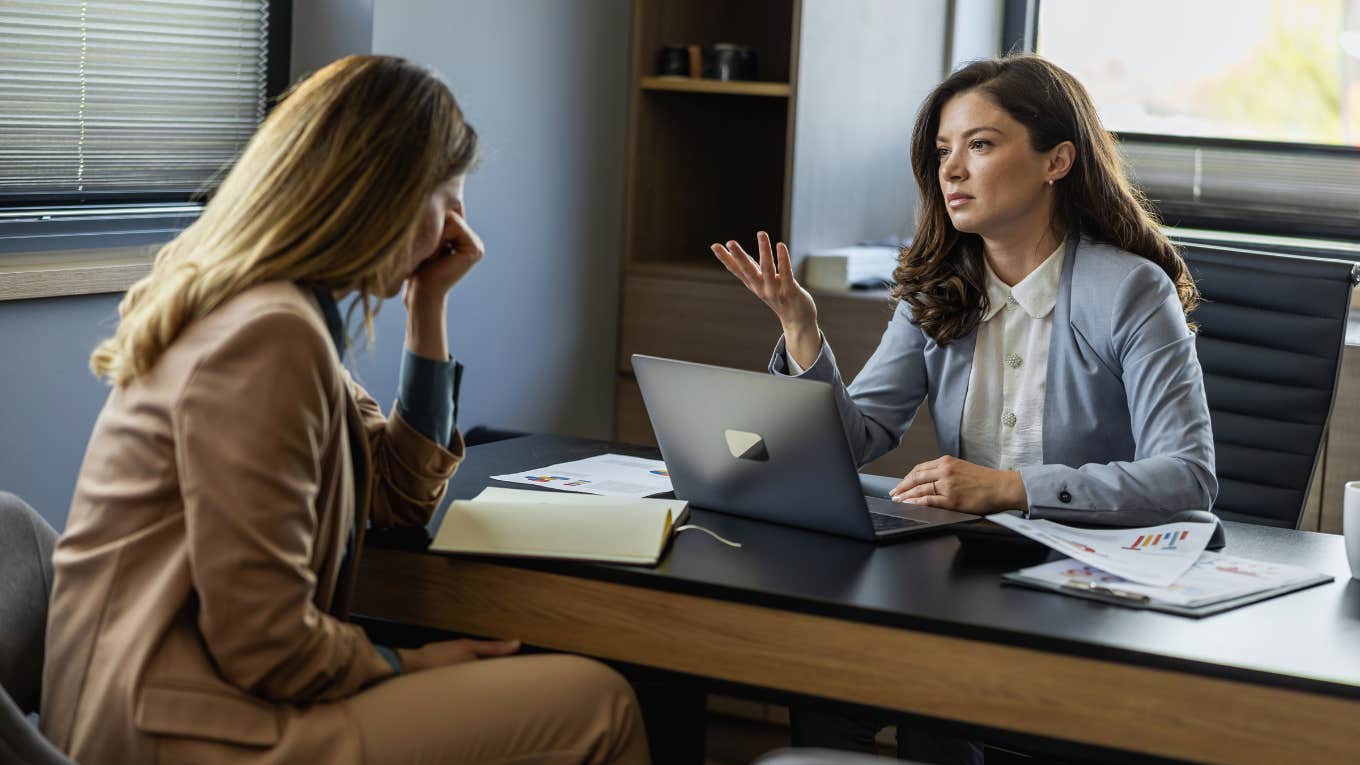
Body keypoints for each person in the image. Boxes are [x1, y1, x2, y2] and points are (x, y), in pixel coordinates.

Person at [40, 55, 649, 765]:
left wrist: (429, 305)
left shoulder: (271, 311)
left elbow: (396, 488)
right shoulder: (270, 334)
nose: (455, 223)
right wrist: (404, 665)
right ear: (385, 194)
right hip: (180, 729)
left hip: (184, 701)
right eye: (447, 198)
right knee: (600, 705)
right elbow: (265, 643)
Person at [712, 54, 1217, 763]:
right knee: (825, 674)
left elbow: (1186, 474)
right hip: (964, 574)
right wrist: (801, 329)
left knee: (940, 702)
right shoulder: (937, 288)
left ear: (1056, 160)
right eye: (944, 151)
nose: (952, 170)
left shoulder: (1130, 290)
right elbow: (854, 438)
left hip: (1081, 580)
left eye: (980, 145)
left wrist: (1011, 488)